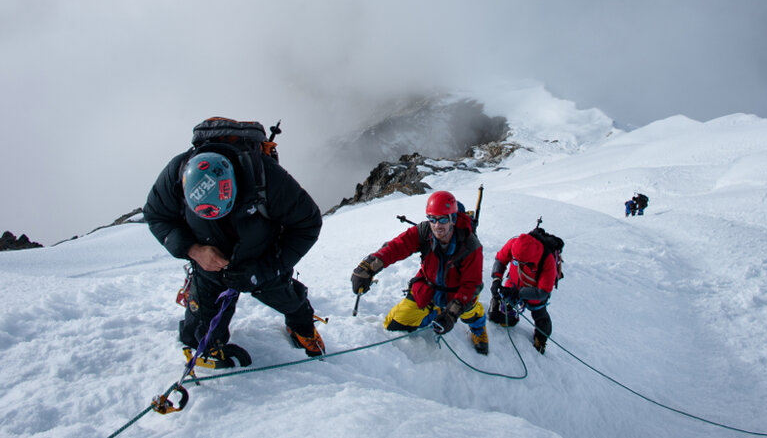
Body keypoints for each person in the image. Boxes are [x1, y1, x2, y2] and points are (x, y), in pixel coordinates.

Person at [144, 117, 325, 365]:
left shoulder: (267, 176)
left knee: (287, 298)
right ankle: (209, 345)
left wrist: (265, 268)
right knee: (196, 333)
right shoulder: (177, 172)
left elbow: (308, 222)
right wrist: (194, 250)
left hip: (262, 257)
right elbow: (157, 215)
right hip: (208, 262)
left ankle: (302, 326)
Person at [350, 190, 489, 355]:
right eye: (433, 219)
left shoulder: (470, 244)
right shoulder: (425, 232)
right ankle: (434, 313)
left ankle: (478, 329)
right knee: (394, 323)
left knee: (470, 312)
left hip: (458, 295)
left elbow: (471, 285)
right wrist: (368, 267)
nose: (437, 225)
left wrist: (451, 314)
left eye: (443, 219)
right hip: (427, 289)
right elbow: (396, 247)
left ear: (453, 219)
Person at [488, 232, 558, 354]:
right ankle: (509, 319)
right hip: (514, 285)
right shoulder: (513, 244)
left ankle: (541, 339)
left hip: (533, 293)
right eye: (516, 261)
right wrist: (496, 279)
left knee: (540, 316)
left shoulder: (547, 260)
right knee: (505, 308)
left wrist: (519, 293)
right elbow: (500, 260)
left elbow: (543, 292)